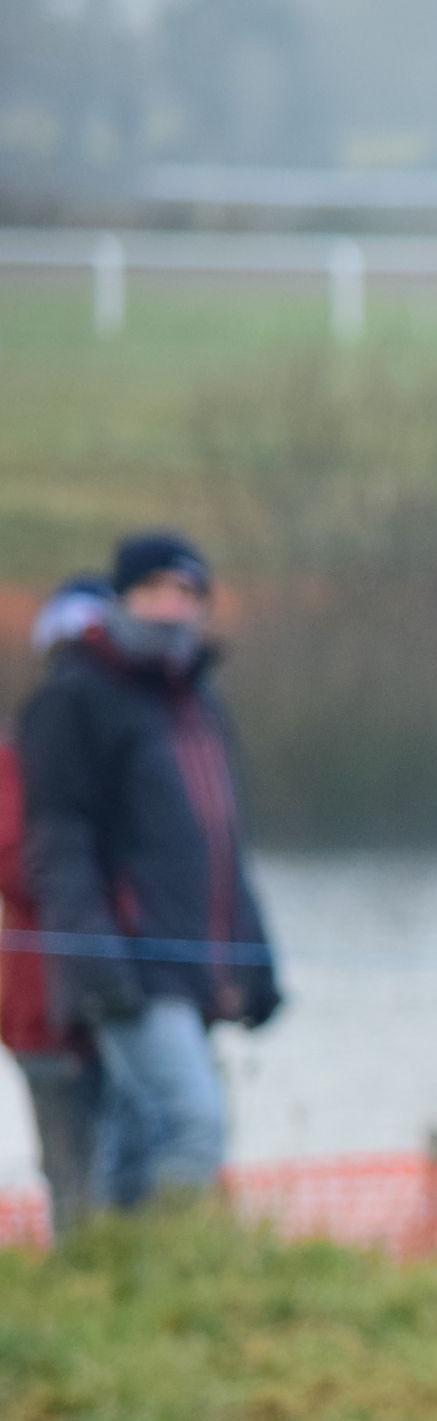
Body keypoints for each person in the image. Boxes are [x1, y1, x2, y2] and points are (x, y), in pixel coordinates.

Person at [19, 530, 284, 1212]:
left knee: (136, 1135)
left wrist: (253, 962)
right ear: (121, 599)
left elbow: (222, 848)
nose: (172, 606)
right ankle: (170, 1261)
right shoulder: (75, 699)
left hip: (193, 962)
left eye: (187, 592)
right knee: (192, 1126)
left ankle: (120, 1261)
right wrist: (95, 964)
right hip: (128, 962)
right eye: (155, 589)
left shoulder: (199, 703)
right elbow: (58, 847)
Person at [2, 574, 116, 1238]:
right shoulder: (20, 751)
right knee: (76, 1180)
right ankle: (86, 1282)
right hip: (45, 1011)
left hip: (136, 1004)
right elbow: (17, 866)